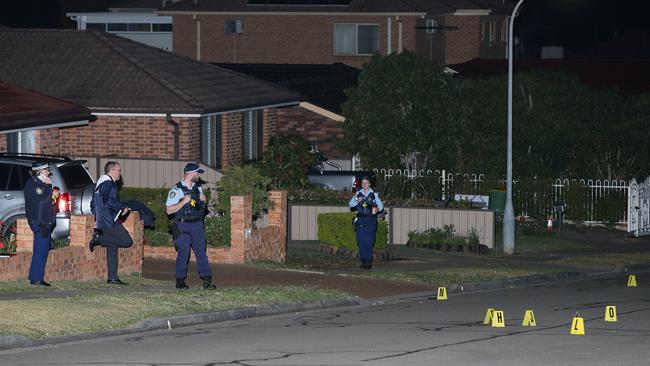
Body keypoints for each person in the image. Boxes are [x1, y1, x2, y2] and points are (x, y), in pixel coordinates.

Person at [165, 163, 216, 290]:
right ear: (191, 174)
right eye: (197, 173)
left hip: (197, 225)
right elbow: (169, 211)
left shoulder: (197, 188)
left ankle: (207, 280)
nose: (199, 175)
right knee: (183, 253)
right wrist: (183, 202)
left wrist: (203, 200)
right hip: (182, 225)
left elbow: (201, 207)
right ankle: (180, 281)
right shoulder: (176, 190)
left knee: (201, 252)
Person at [89, 161, 133, 285]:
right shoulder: (108, 184)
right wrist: (122, 206)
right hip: (108, 220)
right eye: (119, 170)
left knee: (113, 247)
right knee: (127, 241)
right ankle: (99, 240)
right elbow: (109, 201)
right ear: (112, 170)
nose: (120, 173)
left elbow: (94, 203)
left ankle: (112, 277)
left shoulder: (101, 183)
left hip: (105, 218)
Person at [24, 162, 58, 286]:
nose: (48, 172)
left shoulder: (42, 184)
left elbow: (47, 202)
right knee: (40, 249)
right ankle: (36, 278)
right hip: (38, 221)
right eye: (46, 170)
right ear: (39, 171)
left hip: (45, 220)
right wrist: (49, 187)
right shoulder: (33, 184)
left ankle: (38, 277)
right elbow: (41, 200)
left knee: (44, 249)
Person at [349, 176, 384, 270]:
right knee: (361, 241)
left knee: (369, 242)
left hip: (371, 220)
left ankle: (368, 263)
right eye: (363, 183)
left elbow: (381, 206)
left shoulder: (374, 194)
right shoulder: (358, 193)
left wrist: (377, 209)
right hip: (361, 219)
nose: (364, 185)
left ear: (369, 184)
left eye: (366, 183)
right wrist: (357, 200)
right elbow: (351, 204)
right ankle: (363, 261)